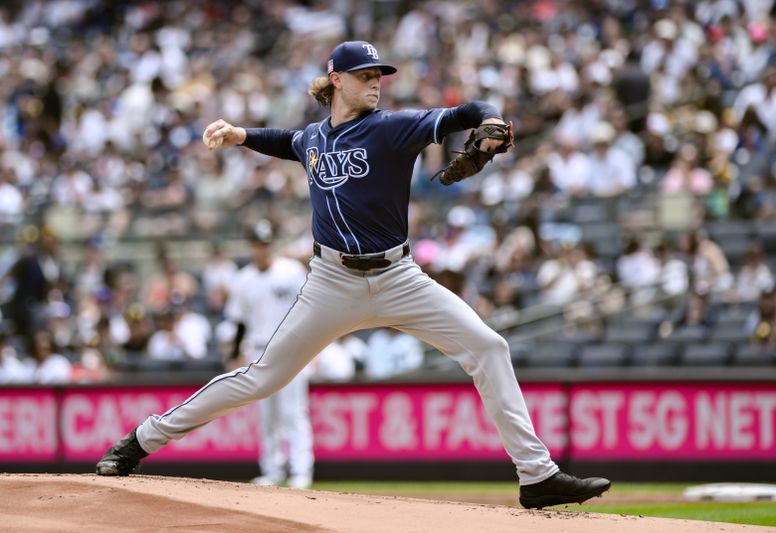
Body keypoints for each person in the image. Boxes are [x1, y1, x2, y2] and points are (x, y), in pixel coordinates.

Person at [96, 40, 610, 509]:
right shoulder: (314, 138)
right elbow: (288, 140)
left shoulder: (392, 127)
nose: (375, 82)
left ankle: (536, 475)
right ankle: (142, 439)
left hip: (400, 277)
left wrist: (492, 122)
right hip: (331, 283)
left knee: (489, 347)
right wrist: (240, 135)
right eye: (364, 74)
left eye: (378, 74)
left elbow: (468, 112)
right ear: (336, 79)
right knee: (261, 378)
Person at [225, 219, 314, 489]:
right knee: (268, 415)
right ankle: (272, 470)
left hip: (291, 347)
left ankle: (301, 470)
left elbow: (309, 307)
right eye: (257, 244)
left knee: (293, 412)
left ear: (271, 244)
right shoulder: (243, 280)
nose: (262, 249)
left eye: (265, 243)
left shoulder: (291, 271)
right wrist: (235, 353)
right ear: (251, 246)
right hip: (258, 350)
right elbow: (239, 322)